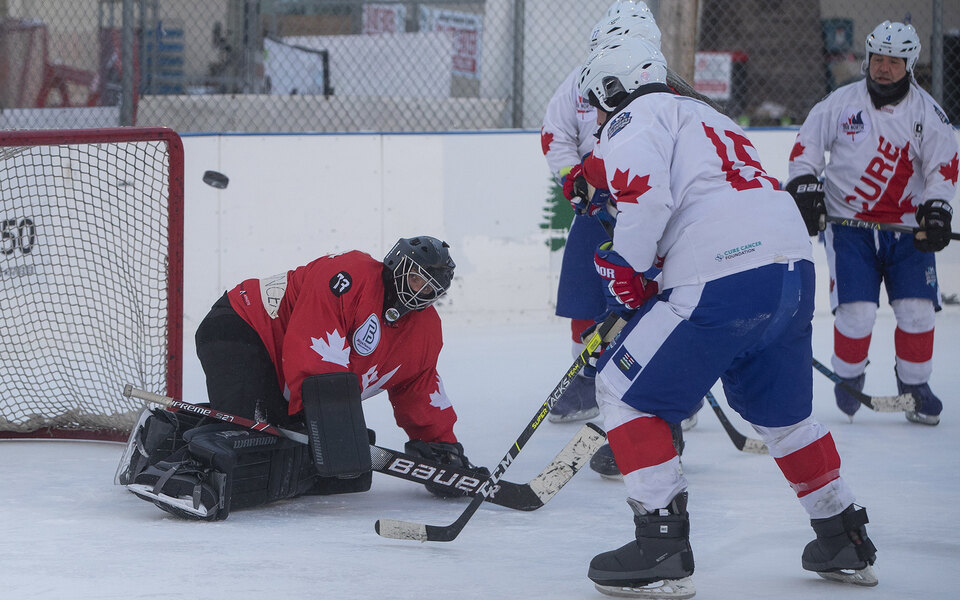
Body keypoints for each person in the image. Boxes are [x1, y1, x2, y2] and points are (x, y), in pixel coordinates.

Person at [575, 37, 878, 597]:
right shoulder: (709, 117)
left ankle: (661, 544)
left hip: (723, 274)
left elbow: (646, 198)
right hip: (790, 268)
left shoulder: (632, 116)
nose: (595, 114)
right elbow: (710, 195)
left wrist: (625, 265)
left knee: (623, 389)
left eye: (595, 101)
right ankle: (843, 534)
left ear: (613, 89)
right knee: (783, 416)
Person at [115, 236, 488, 520]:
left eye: (429, 288)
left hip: (285, 370)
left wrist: (440, 448)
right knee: (262, 436)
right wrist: (334, 429)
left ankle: (166, 431)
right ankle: (181, 472)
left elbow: (420, 388)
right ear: (395, 263)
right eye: (415, 277)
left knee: (332, 468)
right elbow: (316, 352)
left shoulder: (424, 331)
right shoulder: (350, 274)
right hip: (240, 327)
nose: (418, 290)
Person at [786, 20, 957, 426]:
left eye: (893, 61)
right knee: (857, 312)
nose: (883, 67)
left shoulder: (928, 114)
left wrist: (936, 210)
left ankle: (914, 386)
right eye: (877, 58)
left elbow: (943, 169)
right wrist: (805, 186)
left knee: (917, 310)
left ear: (910, 64)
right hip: (849, 226)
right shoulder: (839, 103)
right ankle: (848, 379)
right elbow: (805, 150)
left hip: (906, 229)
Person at [540, 0, 660, 424]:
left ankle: (666, 386)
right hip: (596, 207)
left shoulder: (662, 87)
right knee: (584, 295)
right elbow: (555, 133)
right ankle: (587, 381)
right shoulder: (579, 82)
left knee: (654, 298)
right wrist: (576, 183)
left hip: (645, 205)